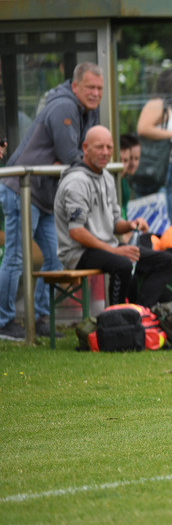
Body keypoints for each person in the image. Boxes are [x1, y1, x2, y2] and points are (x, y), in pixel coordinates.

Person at [0, 63, 102, 342]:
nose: (95, 93)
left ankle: (41, 318)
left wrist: (73, 160)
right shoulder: (63, 107)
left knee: (54, 257)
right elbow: (73, 155)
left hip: (46, 195)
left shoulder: (88, 111)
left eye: (99, 89)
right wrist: (72, 160)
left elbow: (84, 153)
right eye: (90, 87)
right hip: (22, 189)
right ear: (75, 85)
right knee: (16, 256)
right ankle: (3, 321)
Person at [54, 126, 172, 308]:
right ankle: (115, 318)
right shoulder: (76, 181)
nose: (105, 152)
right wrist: (114, 251)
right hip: (78, 253)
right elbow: (76, 232)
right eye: (99, 147)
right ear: (85, 148)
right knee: (123, 264)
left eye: (109, 147)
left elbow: (114, 224)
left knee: (165, 261)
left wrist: (130, 225)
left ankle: (141, 312)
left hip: (107, 247)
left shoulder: (107, 178)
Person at [137, 68, 172, 225]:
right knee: (157, 231)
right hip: (156, 175)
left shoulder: (171, 110)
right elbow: (142, 128)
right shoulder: (157, 103)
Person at [118, 133, 141, 219]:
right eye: (130, 158)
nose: (133, 163)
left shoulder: (125, 184)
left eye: (137, 158)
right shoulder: (120, 183)